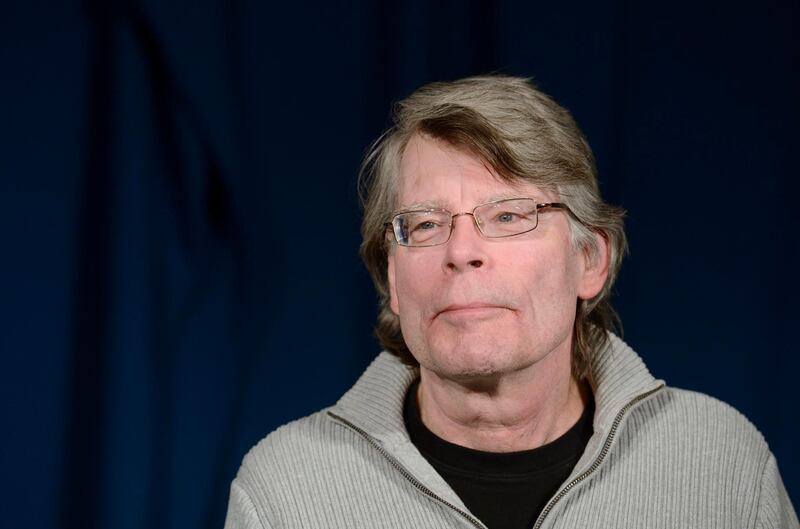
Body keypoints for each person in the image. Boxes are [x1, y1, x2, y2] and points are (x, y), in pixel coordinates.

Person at [224, 75, 798, 529]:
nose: (462, 251)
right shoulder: (285, 489)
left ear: (589, 260)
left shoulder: (721, 462)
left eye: (509, 216)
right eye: (425, 224)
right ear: (394, 280)